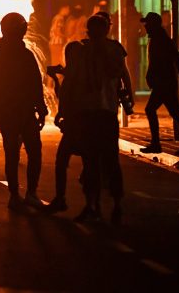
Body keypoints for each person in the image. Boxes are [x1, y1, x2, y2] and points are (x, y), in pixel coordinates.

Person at [65, 14, 133, 224]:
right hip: (99, 112)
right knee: (99, 160)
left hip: (96, 111)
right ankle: (102, 206)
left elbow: (117, 72)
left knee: (98, 160)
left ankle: (103, 205)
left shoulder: (105, 50)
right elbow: (74, 79)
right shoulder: (91, 51)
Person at [0, 12, 47, 211]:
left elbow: (35, 83)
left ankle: (24, 194)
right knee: (18, 154)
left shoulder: (19, 54)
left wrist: (40, 107)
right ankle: (19, 195)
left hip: (22, 112)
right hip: (13, 113)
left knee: (27, 152)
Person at [140, 12, 179, 155]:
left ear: (153, 24)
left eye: (147, 23)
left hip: (164, 82)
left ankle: (157, 144)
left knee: (152, 109)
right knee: (175, 112)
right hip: (164, 82)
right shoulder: (158, 38)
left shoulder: (162, 40)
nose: (145, 26)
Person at [45, 41, 83, 215]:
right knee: (67, 162)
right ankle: (63, 198)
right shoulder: (72, 74)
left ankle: (62, 198)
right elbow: (63, 97)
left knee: (62, 162)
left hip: (78, 125)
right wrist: (55, 79)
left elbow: (71, 99)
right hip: (74, 124)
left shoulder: (80, 75)